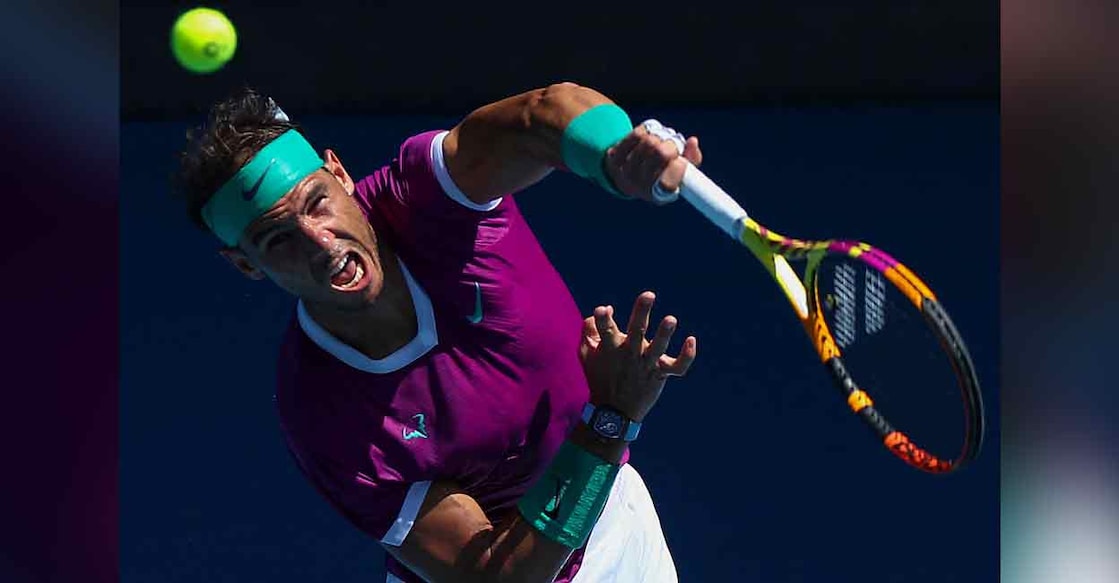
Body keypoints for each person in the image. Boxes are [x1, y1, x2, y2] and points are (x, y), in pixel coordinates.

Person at [174, 82, 703, 582]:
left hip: (614, 518)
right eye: (277, 239)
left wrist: (616, 155)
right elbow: (498, 578)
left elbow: (544, 112)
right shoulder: (322, 408)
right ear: (246, 265)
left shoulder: (429, 198)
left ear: (339, 173)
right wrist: (610, 422)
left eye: (317, 203)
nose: (319, 241)